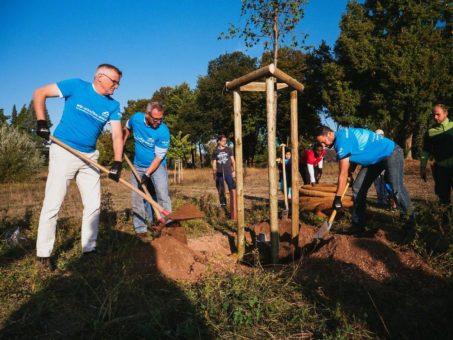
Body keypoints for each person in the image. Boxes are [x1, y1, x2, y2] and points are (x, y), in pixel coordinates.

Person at [34, 64, 124, 267]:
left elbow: (117, 134)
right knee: (53, 203)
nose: (117, 86)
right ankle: (44, 253)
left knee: (93, 204)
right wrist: (41, 121)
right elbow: (40, 93)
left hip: (90, 156)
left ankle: (89, 249)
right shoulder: (76, 86)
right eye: (114, 82)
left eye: (118, 83)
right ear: (100, 77)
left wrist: (117, 161)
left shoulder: (113, 105)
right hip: (64, 150)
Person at [315, 125, 415, 236]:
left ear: (329, 134)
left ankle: (410, 225)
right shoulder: (343, 135)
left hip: (390, 152)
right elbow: (353, 153)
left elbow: (342, 173)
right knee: (358, 188)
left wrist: (337, 198)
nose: (323, 146)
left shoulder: (341, 141)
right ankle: (358, 225)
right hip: (375, 159)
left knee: (396, 188)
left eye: (323, 142)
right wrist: (351, 172)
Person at [123, 102, 171, 237]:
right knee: (137, 196)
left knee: (162, 195)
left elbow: (159, 157)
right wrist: (121, 143)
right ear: (147, 115)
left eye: (161, 118)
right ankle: (141, 229)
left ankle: (167, 225)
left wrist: (147, 174)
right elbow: (127, 128)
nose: (159, 122)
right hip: (137, 165)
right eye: (156, 119)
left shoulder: (163, 131)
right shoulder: (136, 119)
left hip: (157, 166)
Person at [420, 104, 453, 205]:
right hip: (441, 170)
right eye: (433, 115)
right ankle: (444, 219)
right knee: (443, 198)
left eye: (438, 114)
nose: (435, 117)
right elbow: (425, 151)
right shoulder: (430, 132)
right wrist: (422, 167)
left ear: (446, 113)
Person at [212, 135, 236, 210]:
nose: (224, 142)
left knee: (232, 188)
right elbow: (214, 163)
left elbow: (233, 161)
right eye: (223, 141)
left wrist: (234, 171)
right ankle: (223, 206)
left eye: (225, 141)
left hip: (228, 172)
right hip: (219, 173)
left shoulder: (228, 149)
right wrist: (214, 174)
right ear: (219, 141)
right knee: (221, 190)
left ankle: (234, 205)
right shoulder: (215, 151)